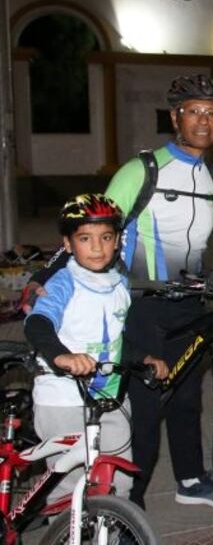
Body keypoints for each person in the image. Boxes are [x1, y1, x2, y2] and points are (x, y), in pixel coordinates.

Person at [31, 75, 213, 508]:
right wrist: (46, 275)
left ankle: (189, 480)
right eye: (194, 111)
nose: (203, 121)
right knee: (147, 411)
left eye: (212, 113)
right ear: (175, 118)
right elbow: (93, 226)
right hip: (143, 304)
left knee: (187, 398)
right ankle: (127, 507)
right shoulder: (143, 171)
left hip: (191, 303)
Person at [24, 194, 168, 502]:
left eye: (106, 237)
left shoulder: (119, 285)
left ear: (117, 241)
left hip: (111, 399)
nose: (97, 247)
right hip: (63, 400)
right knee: (68, 489)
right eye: (85, 238)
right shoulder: (63, 283)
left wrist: (143, 357)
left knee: (119, 484)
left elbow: (113, 340)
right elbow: (37, 324)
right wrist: (61, 355)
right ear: (67, 244)